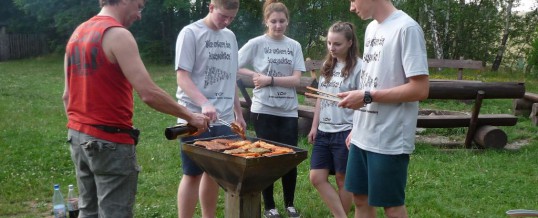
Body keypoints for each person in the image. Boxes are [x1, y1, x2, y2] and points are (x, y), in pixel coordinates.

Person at [62, 0, 210, 217]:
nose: (140, 15)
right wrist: (190, 116)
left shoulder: (78, 33)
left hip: (77, 137)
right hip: (110, 142)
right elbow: (149, 93)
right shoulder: (117, 35)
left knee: (88, 210)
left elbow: (66, 96)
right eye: (139, 6)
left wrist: (82, 131)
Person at [338, 0, 430, 217]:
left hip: (389, 138)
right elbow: (373, 80)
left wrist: (368, 97)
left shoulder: (407, 28)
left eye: (353, 0)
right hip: (363, 134)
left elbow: (420, 89)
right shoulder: (371, 28)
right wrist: (357, 127)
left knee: (391, 205)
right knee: (360, 199)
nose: (351, 7)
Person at [174, 0, 246, 217]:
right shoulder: (190, 33)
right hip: (194, 116)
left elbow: (231, 77)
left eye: (231, 18)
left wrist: (238, 113)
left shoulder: (230, 37)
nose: (226, 22)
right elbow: (182, 76)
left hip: (223, 117)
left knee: (215, 173)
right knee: (192, 173)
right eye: (223, 16)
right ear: (211, 7)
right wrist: (204, 102)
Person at [237, 0, 305, 217]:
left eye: (282, 21)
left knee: (289, 157)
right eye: (273, 21)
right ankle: (270, 206)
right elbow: (234, 64)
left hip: (287, 110)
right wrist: (254, 75)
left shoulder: (294, 46)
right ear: (266, 21)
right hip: (263, 109)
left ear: (288, 22)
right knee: (265, 156)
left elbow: (296, 79)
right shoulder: (257, 43)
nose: (278, 25)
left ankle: (290, 204)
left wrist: (271, 79)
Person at [307, 21, 362, 218]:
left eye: (337, 44)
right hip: (324, 130)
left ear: (349, 42)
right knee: (316, 177)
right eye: (329, 43)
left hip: (345, 130)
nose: (332, 48)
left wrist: (356, 130)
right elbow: (320, 99)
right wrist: (314, 126)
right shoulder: (327, 66)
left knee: (342, 179)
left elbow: (363, 103)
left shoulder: (359, 67)